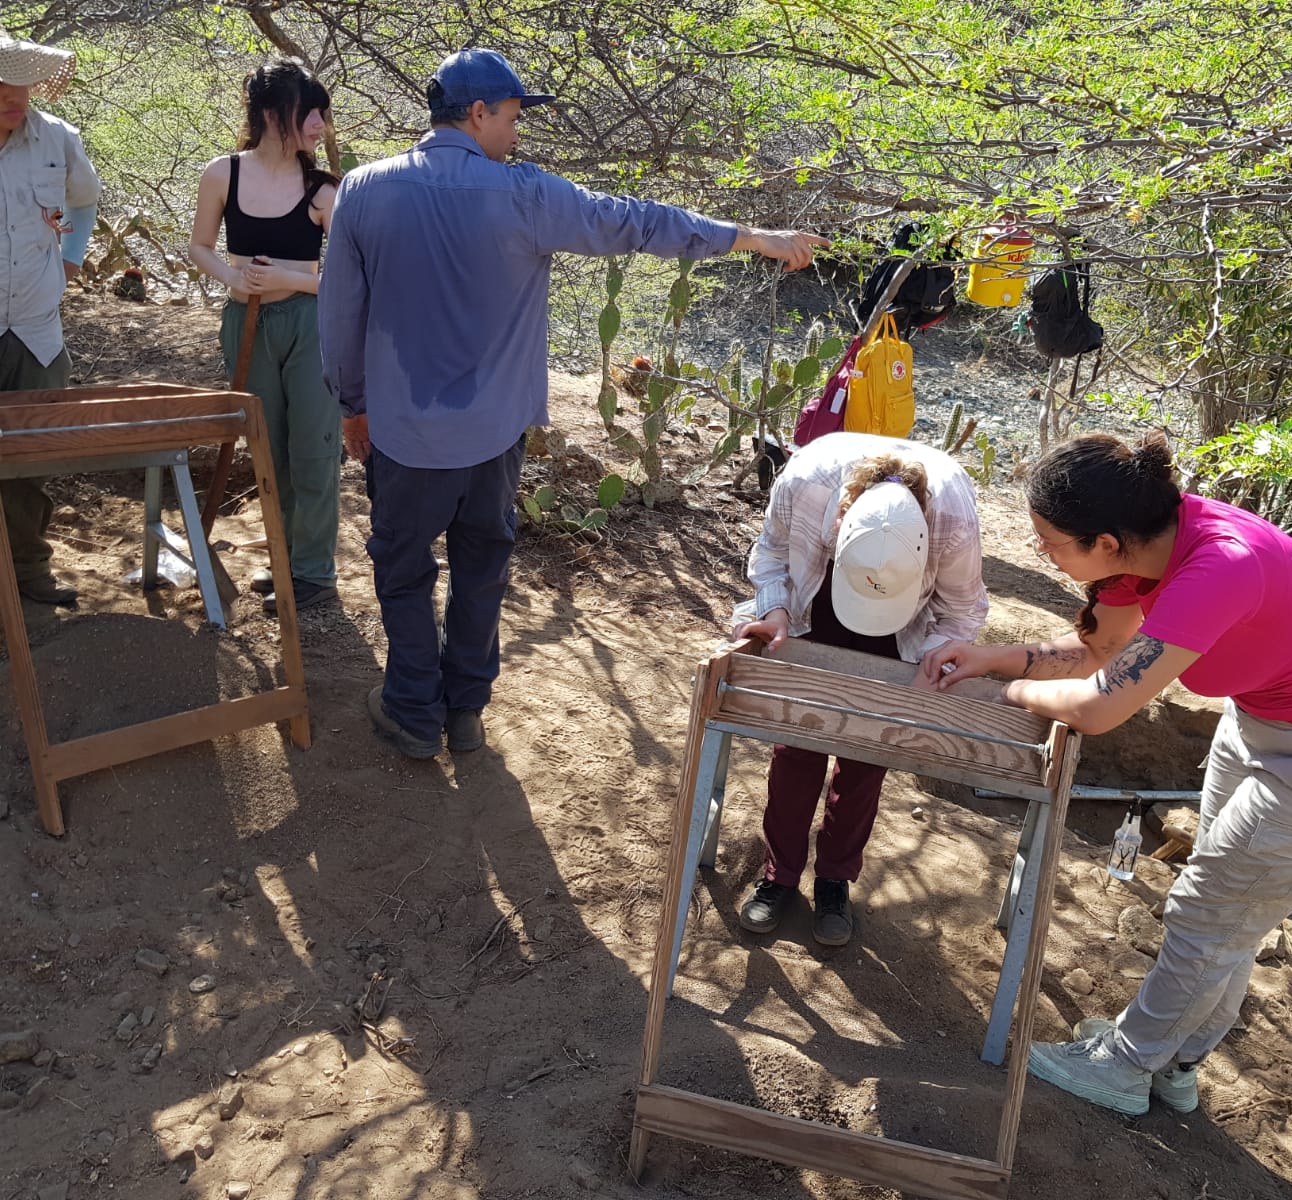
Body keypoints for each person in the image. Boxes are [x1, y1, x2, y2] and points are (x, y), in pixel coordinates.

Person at [318, 48, 827, 761]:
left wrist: (352, 405)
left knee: (402, 570)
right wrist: (754, 239)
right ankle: (463, 711)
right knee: (482, 568)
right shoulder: (527, 196)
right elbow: (640, 223)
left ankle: (409, 709)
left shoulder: (365, 191)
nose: (517, 132)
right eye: (514, 115)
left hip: (404, 435)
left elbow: (340, 316)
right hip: (495, 437)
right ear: (478, 113)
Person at [921, 432, 1292, 1115]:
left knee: (1210, 915)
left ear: (1104, 542)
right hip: (1262, 724)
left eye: (1049, 541)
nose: (1040, 551)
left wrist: (1008, 695)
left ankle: (1130, 1067)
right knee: (1226, 917)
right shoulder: (1151, 543)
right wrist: (994, 659)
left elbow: (1101, 706)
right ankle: (1174, 1061)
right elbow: (1100, 647)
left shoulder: (1217, 567)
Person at [730, 431, 989, 946]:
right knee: (797, 738)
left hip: (903, 626)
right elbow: (774, 553)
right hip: (819, 599)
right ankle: (779, 875)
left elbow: (962, 609)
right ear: (840, 528)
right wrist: (775, 609)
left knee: (870, 749)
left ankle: (834, 880)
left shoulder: (954, 518)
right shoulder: (805, 482)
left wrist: (932, 663)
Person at [188, 57, 340, 613]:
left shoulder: (324, 191)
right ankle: (285, 561)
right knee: (268, 447)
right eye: (311, 113)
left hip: (309, 325)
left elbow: (353, 277)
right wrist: (232, 276)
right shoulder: (222, 173)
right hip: (245, 323)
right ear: (273, 115)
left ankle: (314, 573)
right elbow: (200, 245)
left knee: (314, 448)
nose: (321, 125)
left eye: (324, 113)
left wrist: (286, 278)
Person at [0, 3, 99, 605]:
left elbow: (82, 202)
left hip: (38, 332)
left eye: (16, 76)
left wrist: (70, 260)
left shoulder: (56, 137)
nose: (11, 91)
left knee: (28, 461)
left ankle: (27, 575)